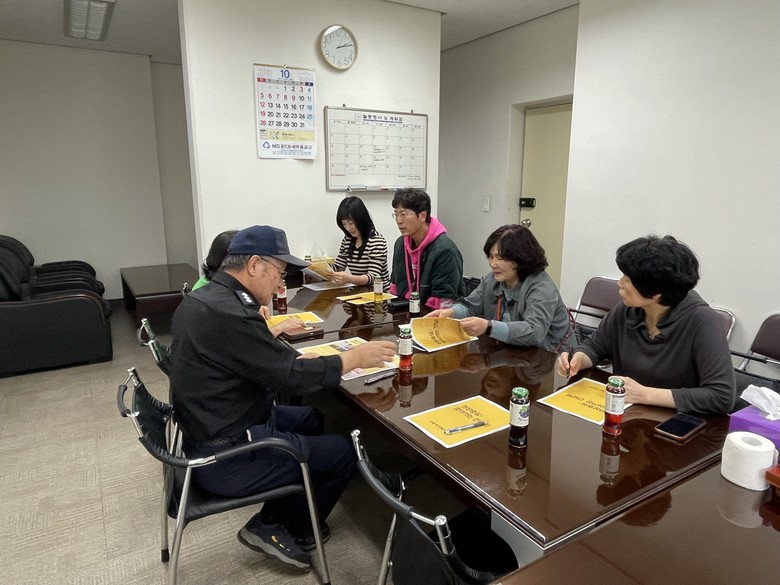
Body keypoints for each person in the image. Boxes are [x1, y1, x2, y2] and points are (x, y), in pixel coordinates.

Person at [169, 225, 396, 571]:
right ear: (254, 265)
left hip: (218, 422)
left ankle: (288, 501)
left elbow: (256, 361)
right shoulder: (230, 313)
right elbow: (290, 377)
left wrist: (292, 362)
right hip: (226, 456)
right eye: (279, 273)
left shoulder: (209, 299)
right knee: (344, 452)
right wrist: (351, 359)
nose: (280, 284)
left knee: (311, 419)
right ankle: (286, 527)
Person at [557, 235, 736, 415]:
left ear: (655, 293)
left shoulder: (702, 321)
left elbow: (721, 396)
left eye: (628, 279)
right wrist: (579, 359)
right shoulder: (627, 310)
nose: (620, 283)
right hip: (627, 415)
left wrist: (645, 394)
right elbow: (596, 346)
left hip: (675, 422)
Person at [427, 225, 574, 352]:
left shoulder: (541, 287)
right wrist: (450, 312)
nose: (493, 264)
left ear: (520, 258)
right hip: (511, 352)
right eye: (491, 257)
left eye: (500, 258)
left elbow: (534, 332)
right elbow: (471, 305)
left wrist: (489, 327)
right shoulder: (493, 279)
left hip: (551, 357)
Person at [389, 188, 465, 309]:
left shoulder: (445, 250)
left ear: (422, 216)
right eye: (396, 214)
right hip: (404, 310)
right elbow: (395, 287)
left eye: (403, 214)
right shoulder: (401, 244)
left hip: (433, 315)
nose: (399, 221)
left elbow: (443, 302)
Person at [330, 196, 389, 289]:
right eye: (344, 224)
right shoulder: (347, 240)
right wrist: (318, 268)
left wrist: (349, 279)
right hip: (359, 291)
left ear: (361, 219)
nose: (348, 228)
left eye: (351, 223)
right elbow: (338, 267)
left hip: (378, 292)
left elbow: (373, 277)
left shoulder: (376, 241)